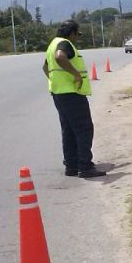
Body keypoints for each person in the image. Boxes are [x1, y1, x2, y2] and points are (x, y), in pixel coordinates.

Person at [42, 20, 106, 178]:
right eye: (77, 34)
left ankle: (71, 166)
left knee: (68, 130)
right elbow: (60, 57)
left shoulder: (53, 43)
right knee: (84, 129)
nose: (77, 38)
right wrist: (75, 74)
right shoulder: (65, 44)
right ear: (72, 33)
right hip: (71, 94)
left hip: (59, 94)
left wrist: (56, 81)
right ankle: (85, 166)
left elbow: (45, 67)